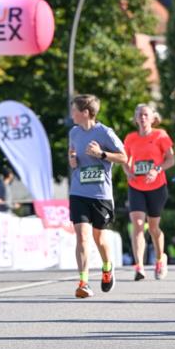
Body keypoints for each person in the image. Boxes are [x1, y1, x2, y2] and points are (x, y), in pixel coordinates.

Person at [68, 94, 127, 298]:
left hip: (100, 194)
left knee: (99, 237)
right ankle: (83, 282)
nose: (71, 113)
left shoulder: (105, 133)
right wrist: (73, 161)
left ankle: (107, 267)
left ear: (85, 112)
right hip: (78, 192)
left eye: (74, 109)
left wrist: (101, 154)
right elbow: (72, 155)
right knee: (82, 236)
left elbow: (124, 157)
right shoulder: (73, 132)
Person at [123, 104, 175, 280]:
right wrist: (127, 170)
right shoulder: (130, 138)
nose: (143, 118)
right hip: (136, 186)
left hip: (157, 187)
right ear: (136, 118)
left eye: (146, 115)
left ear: (153, 118)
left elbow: (171, 159)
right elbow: (124, 159)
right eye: (139, 115)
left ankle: (161, 259)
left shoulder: (160, 135)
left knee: (153, 227)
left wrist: (156, 170)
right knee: (137, 224)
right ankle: (139, 266)